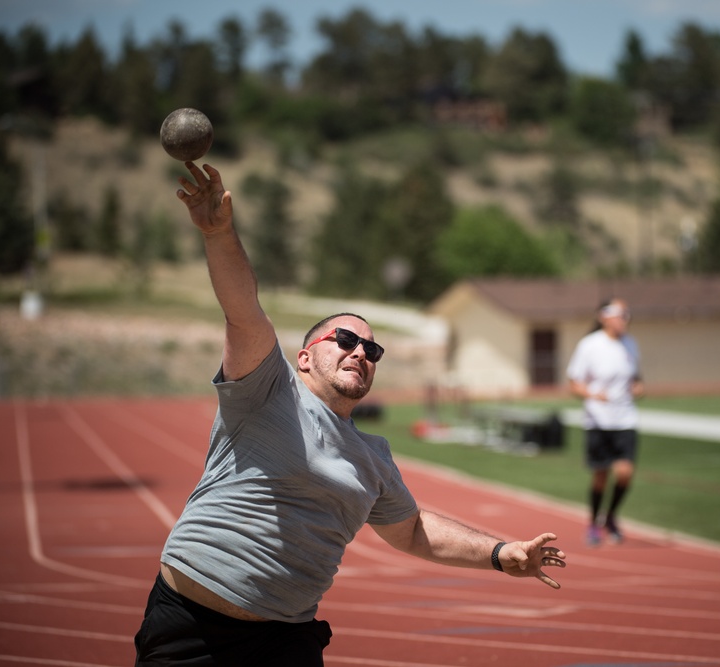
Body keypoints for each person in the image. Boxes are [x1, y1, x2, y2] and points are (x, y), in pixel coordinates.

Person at [133, 162, 567, 666]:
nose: (360, 351)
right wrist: (218, 233)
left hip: (284, 641)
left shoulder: (373, 455)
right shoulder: (265, 389)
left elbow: (412, 531)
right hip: (190, 626)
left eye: (372, 350)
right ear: (304, 356)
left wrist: (500, 553)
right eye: (345, 339)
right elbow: (243, 309)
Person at [566, 298, 644, 547]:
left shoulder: (630, 344)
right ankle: (593, 523)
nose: (625, 319)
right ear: (604, 316)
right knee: (601, 475)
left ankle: (610, 516)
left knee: (624, 473)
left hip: (625, 418)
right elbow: (574, 383)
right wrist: (592, 394)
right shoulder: (590, 345)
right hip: (598, 420)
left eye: (627, 314)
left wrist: (638, 386)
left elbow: (636, 377)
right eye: (621, 313)